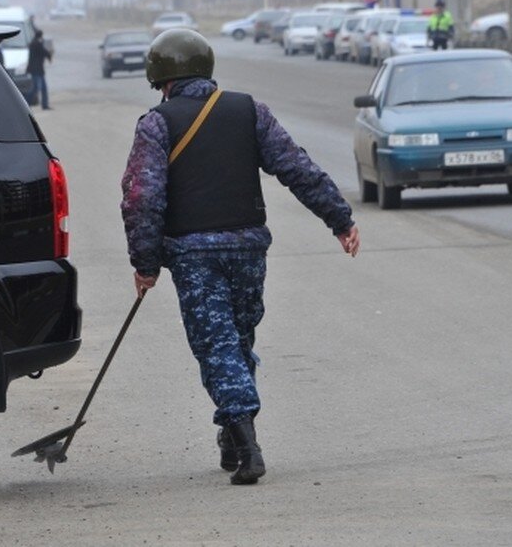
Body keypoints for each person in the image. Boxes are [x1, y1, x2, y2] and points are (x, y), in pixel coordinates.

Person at [120, 29, 360, 486]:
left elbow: (141, 198)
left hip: (194, 254)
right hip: (249, 249)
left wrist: (145, 262)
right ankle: (233, 434)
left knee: (219, 346)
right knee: (236, 340)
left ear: (160, 79)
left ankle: (247, 446)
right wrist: (339, 218)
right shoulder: (249, 110)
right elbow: (297, 167)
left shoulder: (156, 123)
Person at [27, 29, 53, 110]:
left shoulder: (34, 43)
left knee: (41, 88)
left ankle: (44, 105)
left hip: (38, 70)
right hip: (36, 70)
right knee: (36, 88)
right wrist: (49, 54)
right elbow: (44, 52)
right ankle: (26, 103)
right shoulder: (36, 44)